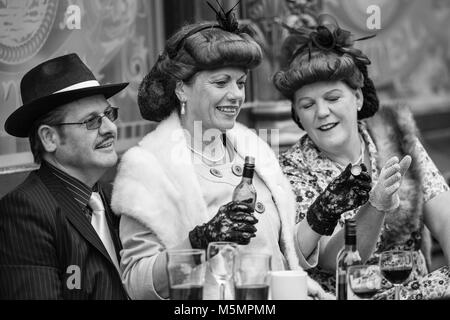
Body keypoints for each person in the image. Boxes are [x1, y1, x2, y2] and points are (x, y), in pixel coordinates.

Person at [111, 3, 330, 300]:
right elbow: (136, 285)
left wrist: (322, 213)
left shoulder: (254, 150)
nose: (236, 95)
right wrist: (199, 241)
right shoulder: (148, 166)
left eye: (240, 83)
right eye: (220, 82)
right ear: (181, 89)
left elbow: (280, 252)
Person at [273, 15, 450, 299]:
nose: (321, 112)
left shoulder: (396, 135)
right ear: (297, 116)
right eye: (307, 105)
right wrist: (376, 205)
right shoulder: (290, 170)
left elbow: (445, 221)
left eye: (332, 98)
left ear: (357, 98)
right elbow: (335, 261)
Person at [0, 53, 129, 299]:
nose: (110, 128)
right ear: (49, 138)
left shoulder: (116, 199)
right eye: (91, 121)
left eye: (109, 114)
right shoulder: (25, 212)